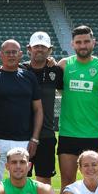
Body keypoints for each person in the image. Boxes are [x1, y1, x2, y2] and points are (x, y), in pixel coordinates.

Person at [0, 40, 43, 192]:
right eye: (7, 52)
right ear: (1, 55)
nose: (11, 55)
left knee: (21, 184)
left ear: (21, 54)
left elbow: (38, 110)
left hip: (24, 141)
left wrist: (34, 139)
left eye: (15, 52)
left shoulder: (29, 77)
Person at [55, 26, 98, 188]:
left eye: (87, 41)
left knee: (92, 182)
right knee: (67, 182)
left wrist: (95, 103)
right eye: (79, 42)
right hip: (68, 132)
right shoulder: (64, 65)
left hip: (93, 133)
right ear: (72, 44)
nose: (83, 45)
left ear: (94, 43)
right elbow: (60, 89)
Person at [23, 32, 62, 184]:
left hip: (46, 133)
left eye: (43, 47)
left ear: (50, 50)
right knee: (20, 177)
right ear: (29, 49)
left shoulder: (56, 71)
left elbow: (72, 92)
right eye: (36, 46)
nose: (39, 49)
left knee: (44, 180)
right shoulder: (20, 69)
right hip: (22, 134)